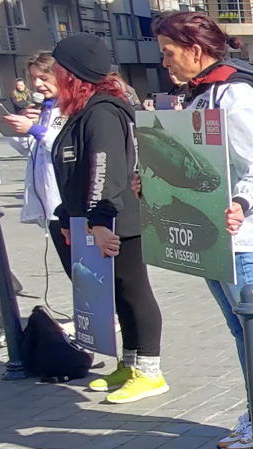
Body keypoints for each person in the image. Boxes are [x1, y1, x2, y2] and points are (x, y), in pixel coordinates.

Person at [151, 10, 253, 449]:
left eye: (169, 52)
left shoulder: (235, 96)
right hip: (210, 233)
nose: (165, 62)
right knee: (240, 328)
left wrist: (243, 202)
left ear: (195, 50)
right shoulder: (202, 94)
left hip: (237, 235)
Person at [46, 34, 166, 404]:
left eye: (56, 70)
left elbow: (104, 169)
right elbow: (75, 173)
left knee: (133, 291)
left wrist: (99, 222)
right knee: (118, 295)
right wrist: (68, 216)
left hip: (118, 218)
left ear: (73, 74)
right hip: (97, 218)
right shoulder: (85, 111)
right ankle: (129, 364)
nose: (51, 76)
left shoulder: (102, 113)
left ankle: (150, 372)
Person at [0, 56, 61, 231]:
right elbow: (27, 149)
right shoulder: (42, 109)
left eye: (43, 78)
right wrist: (18, 128)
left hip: (64, 197)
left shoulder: (72, 108)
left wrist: (35, 129)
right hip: (45, 199)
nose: (37, 84)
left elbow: (66, 145)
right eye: (34, 78)